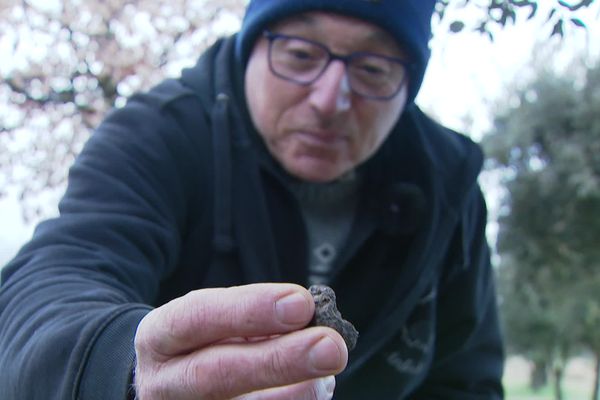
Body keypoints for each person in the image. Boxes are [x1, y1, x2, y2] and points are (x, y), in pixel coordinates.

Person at [0, 0, 505, 399]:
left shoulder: (450, 188)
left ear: (408, 84)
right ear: (253, 47)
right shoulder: (157, 135)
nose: (329, 100)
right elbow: (49, 287)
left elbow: (466, 378)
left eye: (372, 69)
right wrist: (122, 367)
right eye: (301, 55)